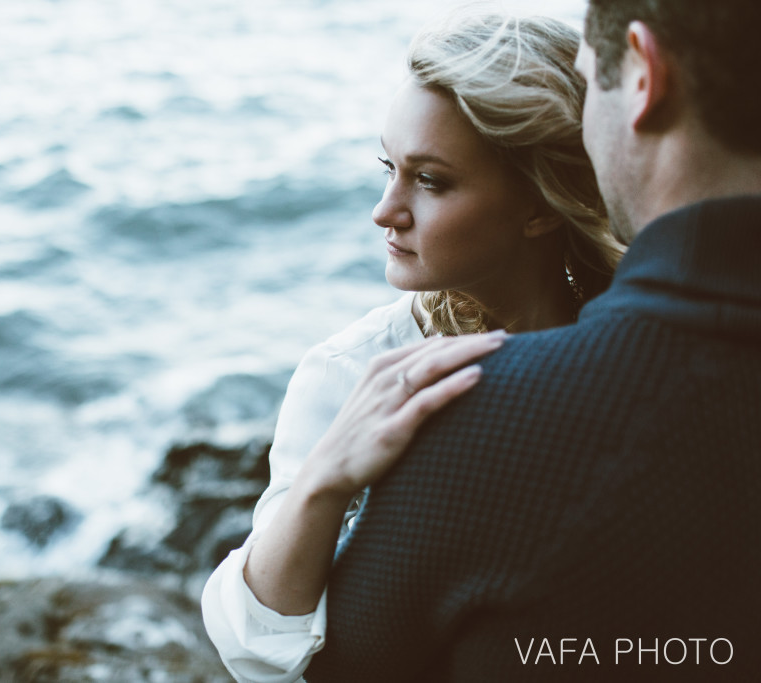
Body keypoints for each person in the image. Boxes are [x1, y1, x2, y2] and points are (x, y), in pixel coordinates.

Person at [302, 0, 761, 680]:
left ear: (642, 74)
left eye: (589, 80)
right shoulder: (371, 370)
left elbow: (331, 669)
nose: (385, 210)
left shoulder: (481, 421)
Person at [201, 13, 624, 683]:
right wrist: (327, 478)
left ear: (541, 204)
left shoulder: (636, 348)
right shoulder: (352, 372)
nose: (384, 209)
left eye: (429, 180)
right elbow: (256, 650)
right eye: (388, 168)